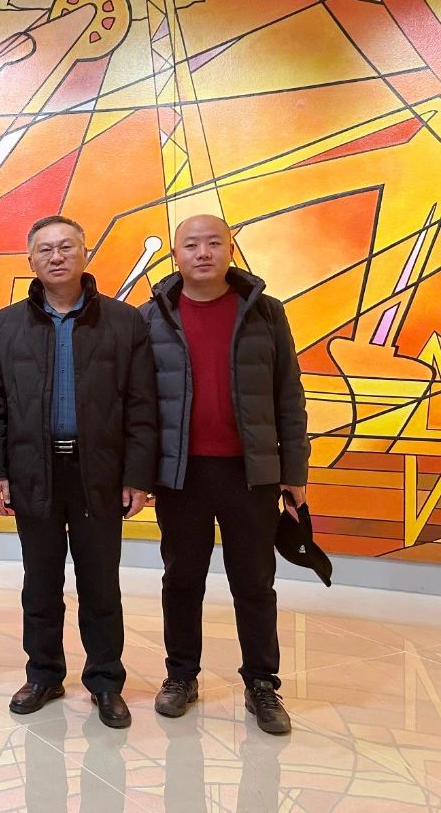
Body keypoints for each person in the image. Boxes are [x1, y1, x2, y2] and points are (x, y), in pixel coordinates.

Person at [0, 215, 157, 729]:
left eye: (66, 247)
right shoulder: (7, 324)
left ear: (85, 253)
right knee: (40, 581)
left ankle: (105, 681)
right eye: (45, 250)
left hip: (99, 472)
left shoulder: (124, 322)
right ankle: (44, 674)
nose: (56, 257)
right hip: (32, 470)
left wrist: (137, 476)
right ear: (31, 261)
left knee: (101, 583)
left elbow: (142, 405)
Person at [141, 214, 309, 735]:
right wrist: (139, 473)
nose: (203, 252)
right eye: (191, 244)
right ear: (176, 255)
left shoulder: (265, 312)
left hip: (250, 472)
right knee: (181, 579)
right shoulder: (152, 316)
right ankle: (180, 676)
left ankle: (261, 684)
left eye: (214, 242)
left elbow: (289, 394)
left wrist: (294, 470)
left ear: (231, 249)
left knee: (254, 581)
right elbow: (136, 405)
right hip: (181, 474)